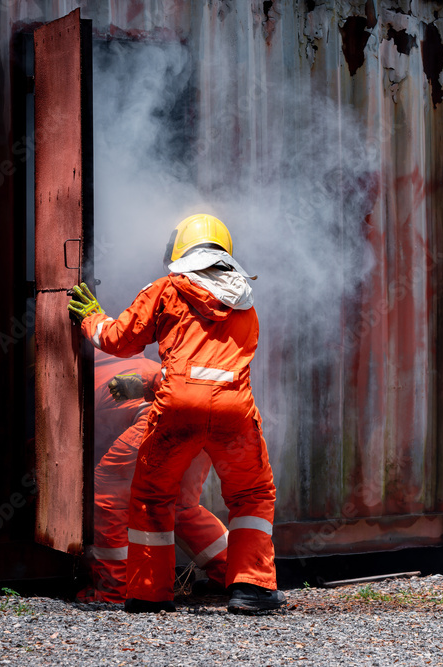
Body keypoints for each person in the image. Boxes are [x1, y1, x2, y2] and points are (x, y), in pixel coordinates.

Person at [67, 213, 285, 614]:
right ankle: (251, 589)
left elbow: (120, 340)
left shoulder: (166, 289)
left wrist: (91, 319)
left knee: (152, 497)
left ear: (180, 252)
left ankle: (147, 594)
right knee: (251, 495)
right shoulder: (244, 301)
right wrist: (150, 385)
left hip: (176, 414)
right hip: (233, 414)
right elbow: (213, 369)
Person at [76, 350, 229, 604]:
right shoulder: (143, 364)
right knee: (181, 507)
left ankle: (115, 591)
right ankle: (234, 575)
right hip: (205, 420)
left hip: (158, 422)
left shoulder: (84, 376)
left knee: (107, 495)